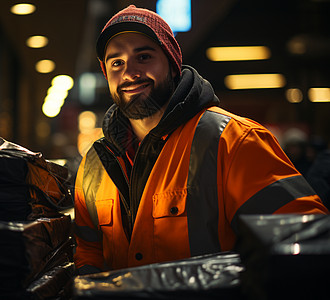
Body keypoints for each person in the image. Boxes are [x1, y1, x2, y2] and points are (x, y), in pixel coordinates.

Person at [73, 5, 329, 275]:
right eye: (117, 63)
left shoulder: (234, 141)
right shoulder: (94, 166)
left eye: (144, 56)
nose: (129, 73)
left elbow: (306, 241)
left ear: (172, 65)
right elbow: (88, 251)